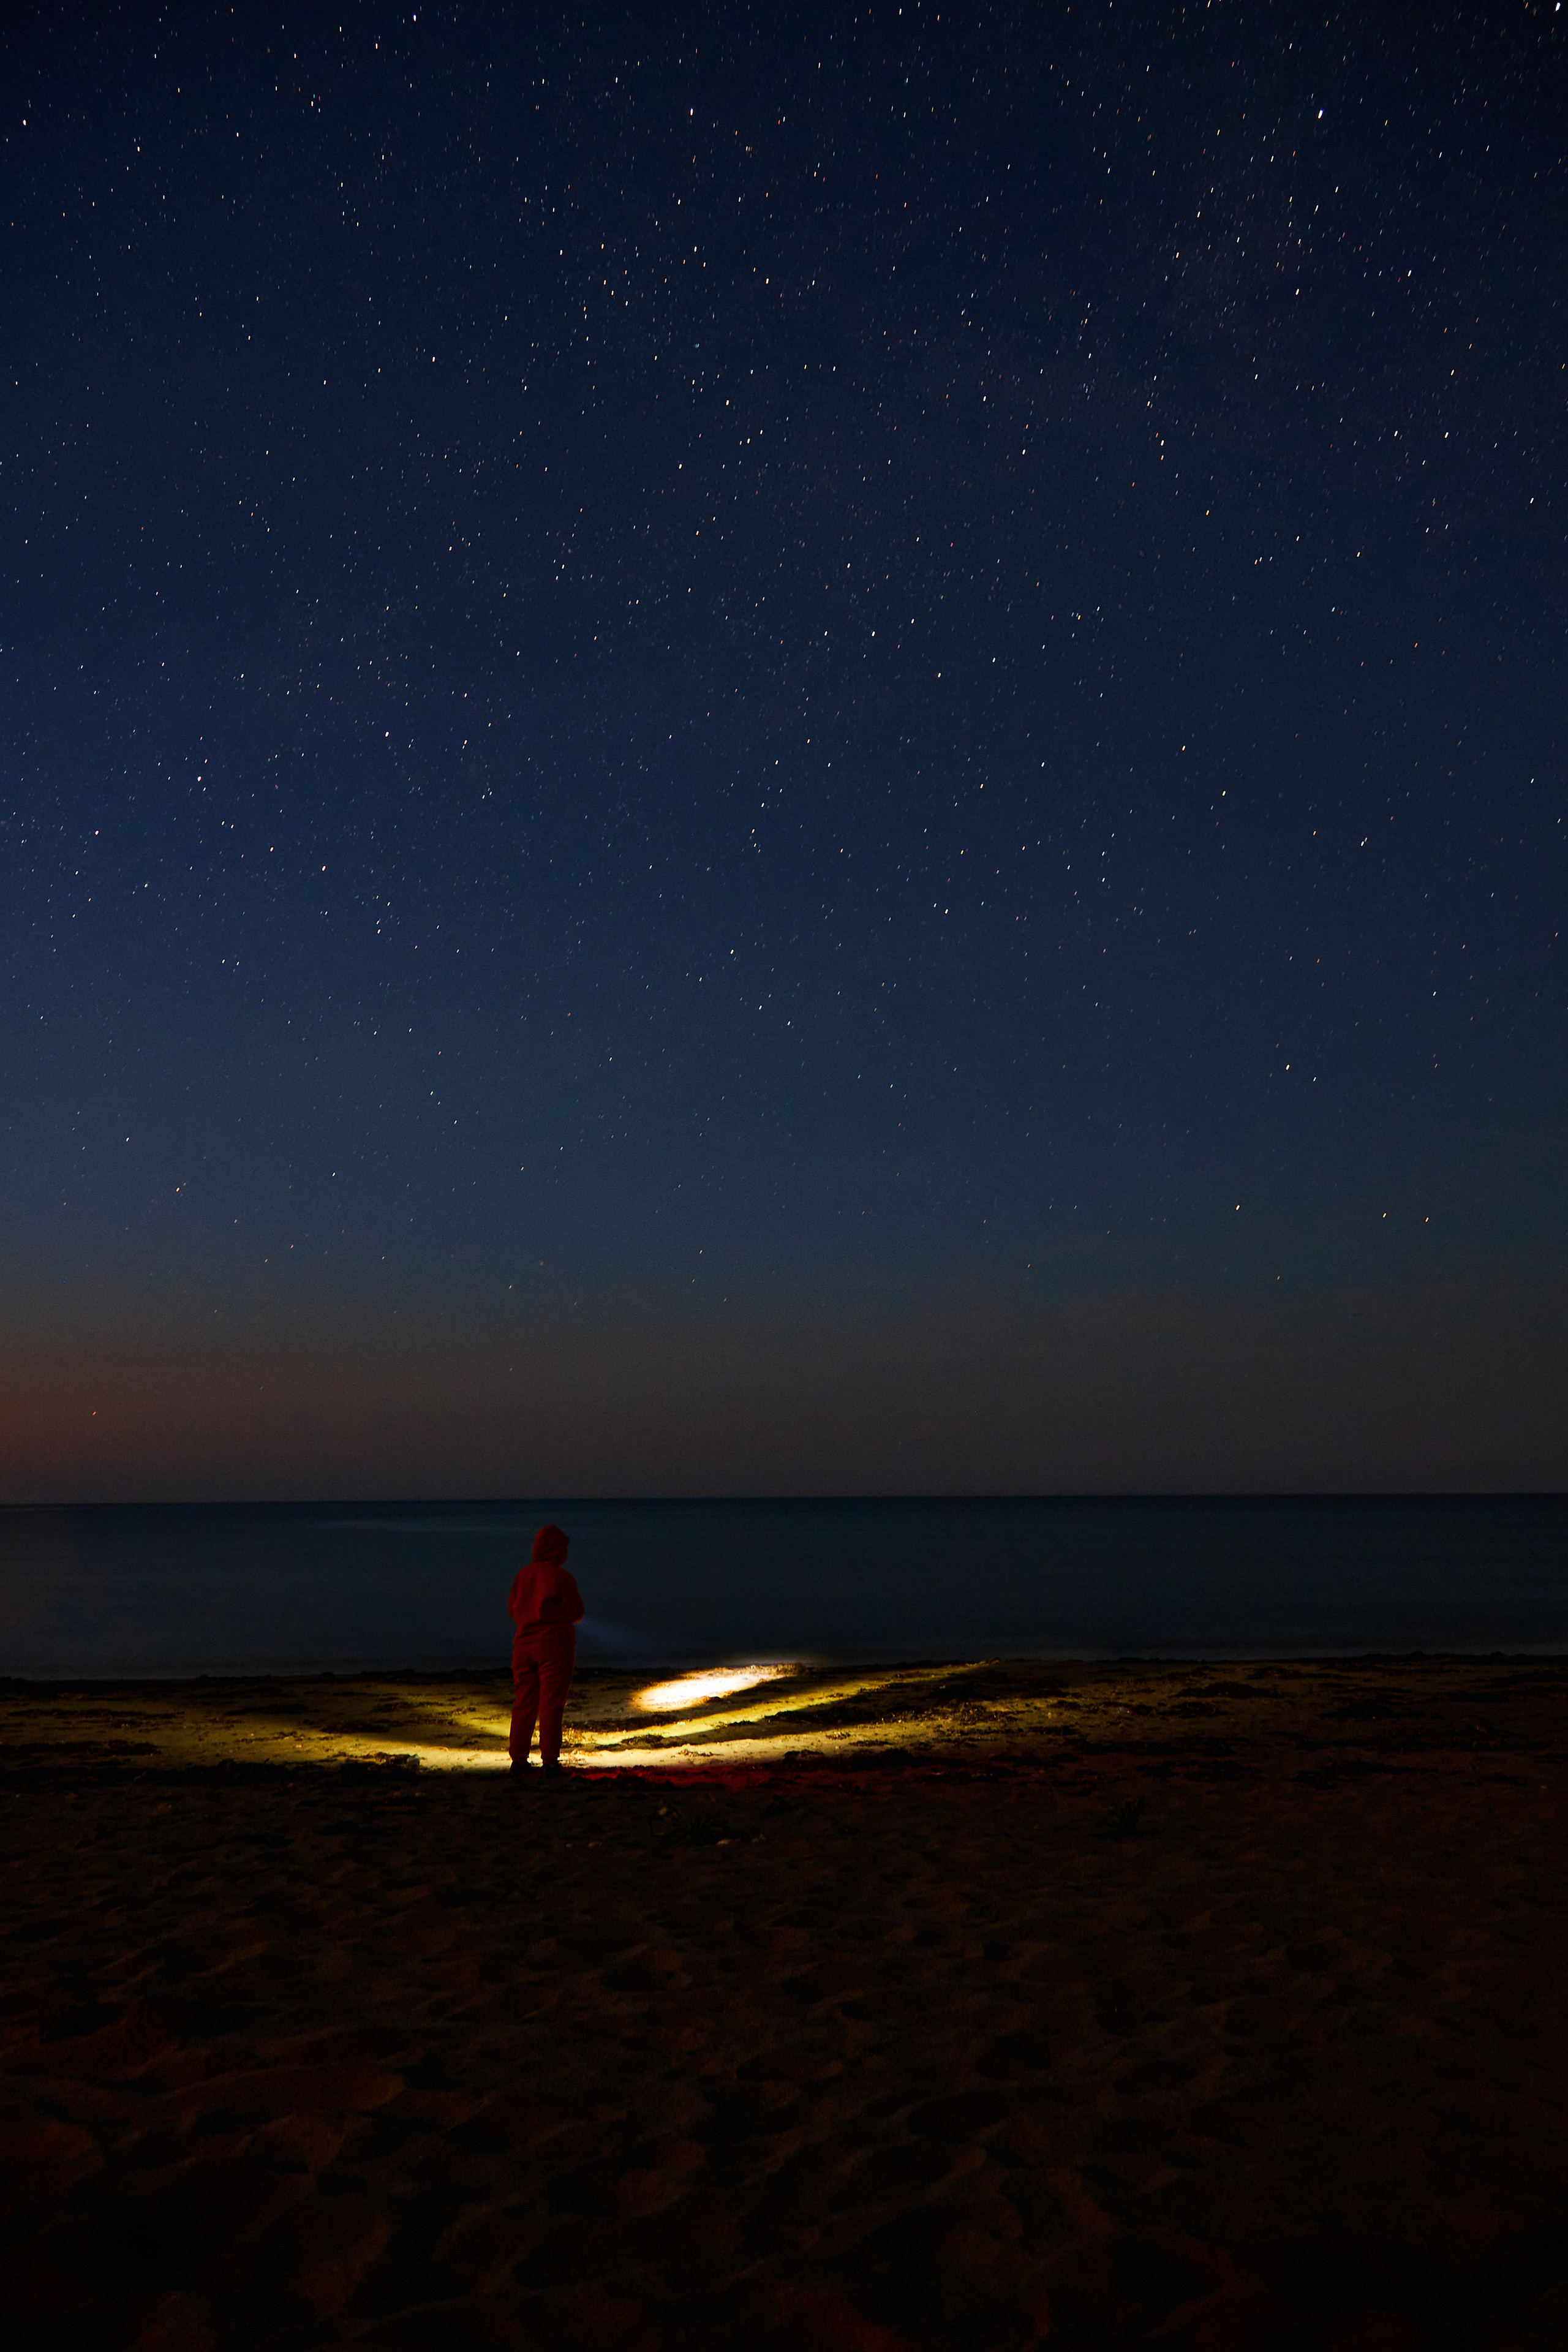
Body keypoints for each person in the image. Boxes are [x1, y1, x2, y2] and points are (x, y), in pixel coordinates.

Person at [507, 1523, 583, 1776]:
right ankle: (550, 1761)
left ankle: (518, 1759)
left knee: (524, 1703)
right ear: (557, 1550)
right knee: (551, 1704)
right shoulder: (562, 1577)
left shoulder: (522, 1575)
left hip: (523, 1646)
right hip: (554, 1646)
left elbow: (513, 1610)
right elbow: (576, 1613)